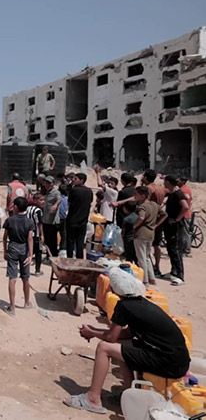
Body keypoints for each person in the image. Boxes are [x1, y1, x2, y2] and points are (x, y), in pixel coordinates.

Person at [63, 268, 190, 415]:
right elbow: (125, 334)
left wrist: (92, 333)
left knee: (104, 348)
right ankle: (130, 393)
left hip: (167, 362)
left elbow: (111, 338)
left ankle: (92, 398)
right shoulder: (140, 303)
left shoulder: (124, 306)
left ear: (113, 288)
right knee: (121, 346)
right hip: (177, 361)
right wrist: (94, 331)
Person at [2, 196, 34, 316]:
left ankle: (12, 307)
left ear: (15, 207)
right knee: (25, 277)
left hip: (13, 248)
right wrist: (30, 255)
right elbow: (30, 238)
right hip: (24, 249)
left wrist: (5, 250)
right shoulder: (29, 222)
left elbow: (5, 237)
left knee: (12, 277)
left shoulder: (10, 220)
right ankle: (26, 303)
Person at [132, 186, 166, 286]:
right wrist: (155, 225)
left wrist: (134, 226)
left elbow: (141, 217)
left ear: (142, 196)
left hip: (141, 234)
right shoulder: (154, 205)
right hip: (151, 233)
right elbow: (164, 214)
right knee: (147, 257)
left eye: (136, 194)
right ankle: (152, 279)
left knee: (141, 258)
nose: (135, 197)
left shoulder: (142, 206)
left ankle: (145, 280)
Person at [162, 175, 188, 286]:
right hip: (169, 226)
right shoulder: (172, 194)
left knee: (176, 250)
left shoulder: (178, 194)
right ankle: (173, 271)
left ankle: (180, 276)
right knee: (171, 249)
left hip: (176, 227)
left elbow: (185, 207)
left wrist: (177, 219)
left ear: (167, 182)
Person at [66, 173, 93, 259]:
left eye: (76, 178)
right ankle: (79, 260)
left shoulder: (74, 190)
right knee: (80, 243)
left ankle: (69, 259)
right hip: (83, 221)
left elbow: (69, 202)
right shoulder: (89, 191)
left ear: (82, 180)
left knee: (70, 242)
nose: (73, 180)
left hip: (72, 220)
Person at [42, 176, 62, 258]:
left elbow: (59, 199)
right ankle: (48, 255)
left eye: (49, 183)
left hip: (52, 221)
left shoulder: (56, 192)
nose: (47, 184)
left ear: (53, 184)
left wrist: (55, 205)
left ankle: (53, 256)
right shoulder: (46, 192)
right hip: (45, 220)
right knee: (47, 240)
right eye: (46, 182)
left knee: (52, 240)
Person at [26, 193, 45, 276]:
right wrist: (42, 235)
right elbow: (40, 224)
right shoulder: (38, 211)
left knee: (28, 252)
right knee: (38, 253)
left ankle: (25, 269)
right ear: (35, 201)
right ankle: (37, 270)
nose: (43, 202)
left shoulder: (27, 209)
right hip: (36, 234)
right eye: (41, 200)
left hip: (28, 234)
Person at [177, 176, 193, 257]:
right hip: (186, 213)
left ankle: (186, 250)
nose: (177, 181)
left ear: (183, 181)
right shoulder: (187, 190)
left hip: (184, 214)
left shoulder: (182, 191)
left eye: (179, 180)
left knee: (185, 233)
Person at [58, 183, 70, 253]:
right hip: (64, 219)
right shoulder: (67, 199)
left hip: (56, 219)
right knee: (64, 235)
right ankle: (62, 249)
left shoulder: (57, 198)